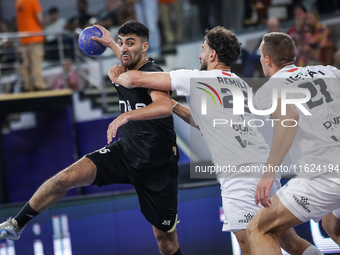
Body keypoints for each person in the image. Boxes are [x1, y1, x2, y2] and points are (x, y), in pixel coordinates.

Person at [107, 26, 323, 255]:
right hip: (263, 166)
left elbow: (132, 78)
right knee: (288, 240)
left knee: (251, 242)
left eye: (203, 49)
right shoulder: (241, 84)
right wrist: (174, 106)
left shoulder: (196, 78)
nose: (200, 55)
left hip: (239, 173)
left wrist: (116, 73)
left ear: (212, 55)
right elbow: (205, 123)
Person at [0, 21, 182, 255]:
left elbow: (165, 106)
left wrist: (126, 116)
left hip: (157, 166)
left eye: (131, 43)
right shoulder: (124, 69)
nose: (124, 48)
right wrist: (108, 43)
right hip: (125, 153)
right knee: (62, 179)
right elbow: (127, 58)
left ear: (145, 47)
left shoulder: (152, 74)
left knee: (166, 243)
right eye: (121, 42)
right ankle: (17, 224)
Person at [246, 32, 340, 254]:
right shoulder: (331, 72)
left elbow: (289, 119)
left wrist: (269, 173)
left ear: (267, 60)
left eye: (261, 55)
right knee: (332, 225)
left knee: (258, 229)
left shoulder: (269, 89)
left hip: (323, 175)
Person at [15, 0, 46, 92]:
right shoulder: (32, 1)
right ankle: (39, 85)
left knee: (26, 65)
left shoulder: (18, 3)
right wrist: (44, 28)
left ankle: (28, 86)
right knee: (36, 63)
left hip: (24, 38)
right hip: (35, 37)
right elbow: (40, 18)